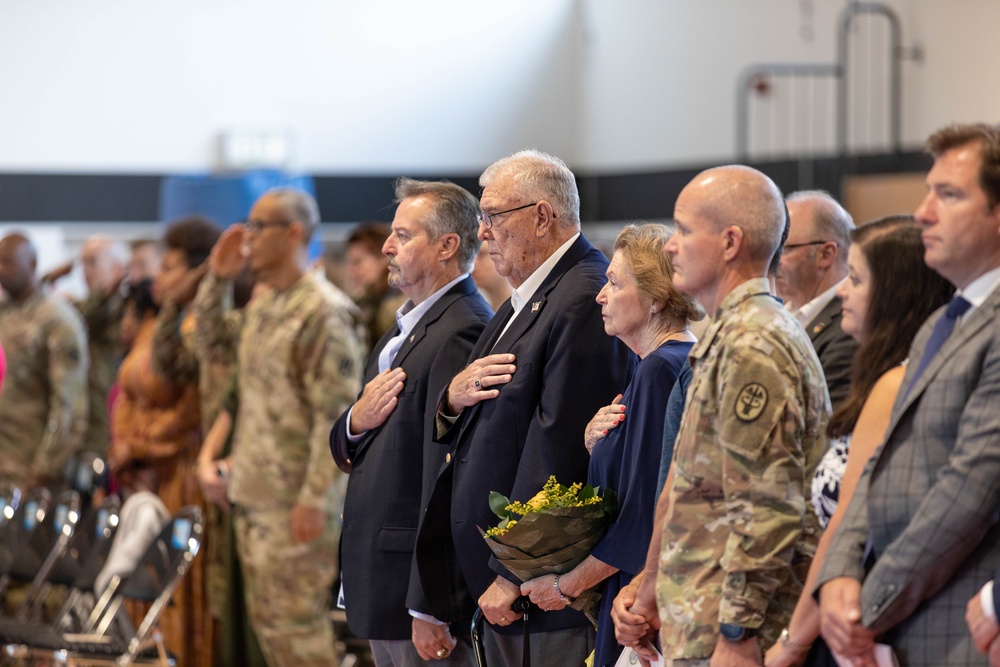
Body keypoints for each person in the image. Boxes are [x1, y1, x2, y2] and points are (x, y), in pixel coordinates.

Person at [414, 150, 637, 667]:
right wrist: (449, 400)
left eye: (494, 216)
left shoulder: (582, 293)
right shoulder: (527, 297)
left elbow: (561, 445)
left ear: (542, 216)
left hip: (537, 592)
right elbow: (480, 414)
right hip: (503, 585)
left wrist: (512, 573)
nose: (484, 232)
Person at [613, 165, 829, 667]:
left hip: (735, 636)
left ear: (730, 242)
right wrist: (650, 594)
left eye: (684, 230)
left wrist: (739, 630)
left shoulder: (756, 343)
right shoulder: (727, 334)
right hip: (694, 618)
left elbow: (768, 507)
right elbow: (685, 485)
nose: (670, 246)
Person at [816, 123, 1000, 667]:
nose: (924, 212)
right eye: (928, 191)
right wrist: (840, 575)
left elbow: (971, 489)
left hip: (958, 628)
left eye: (949, 195)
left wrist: (865, 607)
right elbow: (876, 465)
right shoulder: (942, 323)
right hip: (897, 627)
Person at [764, 217, 953, 667]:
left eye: (857, 278)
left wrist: (793, 641)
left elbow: (847, 522)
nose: (842, 291)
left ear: (896, 295)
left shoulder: (896, 384)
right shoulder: (884, 378)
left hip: (854, 622)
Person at [518, 223, 702, 667]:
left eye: (615, 283)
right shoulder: (651, 365)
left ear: (656, 297)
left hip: (639, 592)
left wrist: (566, 586)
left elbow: (642, 515)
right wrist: (595, 444)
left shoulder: (662, 369)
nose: (601, 295)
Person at [330, 178, 493, 666]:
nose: (386, 247)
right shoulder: (404, 326)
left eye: (403, 235)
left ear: (447, 246)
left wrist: (430, 601)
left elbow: (446, 473)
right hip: (383, 572)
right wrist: (354, 421)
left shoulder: (463, 328)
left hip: (415, 586)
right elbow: (353, 440)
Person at [198, 187, 364, 667]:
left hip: (295, 503)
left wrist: (316, 499)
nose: (247, 238)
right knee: (272, 636)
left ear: (293, 233)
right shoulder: (266, 307)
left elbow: (333, 419)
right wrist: (217, 278)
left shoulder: (323, 311)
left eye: (257, 227)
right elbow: (209, 347)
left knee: (298, 638)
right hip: (255, 498)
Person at [0, 232, 89, 490]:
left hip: (27, 466)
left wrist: (45, 470)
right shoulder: (5, 312)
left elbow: (69, 406)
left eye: (9, 263)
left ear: (33, 264)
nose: (1, 270)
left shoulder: (57, 320)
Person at [776, 191, 858, 409]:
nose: (772, 261)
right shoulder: (783, 315)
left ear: (826, 254)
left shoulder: (851, 325)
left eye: (784, 248)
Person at [345, 222, 408, 352]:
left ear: (383, 258)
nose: (351, 271)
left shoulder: (402, 305)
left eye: (358, 262)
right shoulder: (362, 301)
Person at [471, 241, 513, 311]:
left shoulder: (523, 308)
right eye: (473, 256)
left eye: (482, 255)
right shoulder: (480, 310)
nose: (473, 265)